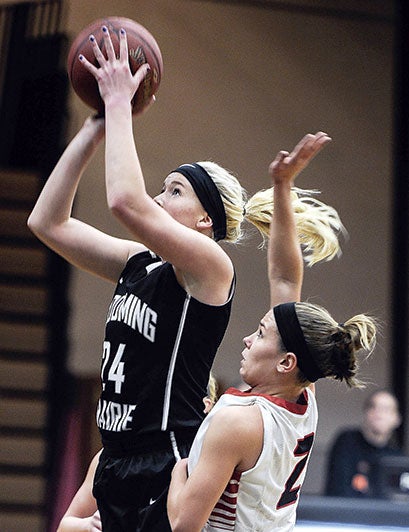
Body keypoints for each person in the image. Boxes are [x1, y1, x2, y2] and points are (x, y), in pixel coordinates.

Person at [28, 25, 343, 532]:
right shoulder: (139, 262)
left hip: (166, 457)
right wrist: (94, 127)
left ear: (205, 223)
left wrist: (118, 104)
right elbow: (48, 223)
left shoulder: (209, 270)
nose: (157, 198)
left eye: (174, 191)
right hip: (114, 453)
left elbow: (123, 202)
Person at [167, 133, 378, 532]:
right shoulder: (303, 396)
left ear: (286, 361)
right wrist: (283, 188)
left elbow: (182, 525)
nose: (248, 339)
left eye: (260, 333)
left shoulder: (239, 422)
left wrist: (178, 469)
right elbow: (284, 278)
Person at [56, 375, 219, 532]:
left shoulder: (211, 460)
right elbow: (65, 525)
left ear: (206, 405)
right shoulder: (113, 456)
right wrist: (87, 525)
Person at [324, 389, 402, 498]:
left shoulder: (396, 457)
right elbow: (338, 489)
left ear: (397, 419)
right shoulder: (347, 441)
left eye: (386, 409)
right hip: (345, 511)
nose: (379, 414)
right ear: (366, 412)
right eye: (373, 407)